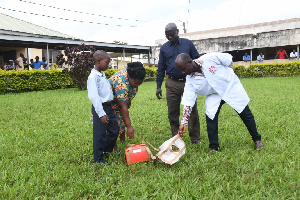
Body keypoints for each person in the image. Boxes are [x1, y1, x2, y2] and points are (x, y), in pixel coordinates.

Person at [175, 52, 264, 153]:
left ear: (190, 62)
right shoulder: (190, 80)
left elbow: (228, 59)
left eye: (183, 69)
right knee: (210, 116)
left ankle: (257, 140)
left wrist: (228, 74)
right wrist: (184, 122)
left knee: (245, 113)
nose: (182, 72)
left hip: (229, 87)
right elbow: (188, 101)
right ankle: (214, 147)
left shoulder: (210, 58)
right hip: (214, 94)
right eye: (180, 70)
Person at [156, 22, 201, 144]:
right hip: (172, 83)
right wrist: (158, 86)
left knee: (191, 110)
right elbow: (161, 68)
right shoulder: (164, 48)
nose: (170, 37)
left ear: (177, 31)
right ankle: (176, 138)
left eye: (171, 34)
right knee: (172, 112)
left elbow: (197, 60)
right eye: (167, 35)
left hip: (188, 82)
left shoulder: (188, 44)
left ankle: (195, 138)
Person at [87, 50, 119, 165]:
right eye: (107, 62)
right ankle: (98, 158)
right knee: (99, 134)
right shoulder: (93, 77)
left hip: (108, 107)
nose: (108, 64)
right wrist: (101, 113)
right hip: (100, 108)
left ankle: (106, 149)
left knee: (114, 129)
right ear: (98, 61)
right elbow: (94, 96)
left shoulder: (102, 74)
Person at [108, 62, 146, 150]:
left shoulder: (132, 72)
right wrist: (129, 126)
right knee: (114, 125)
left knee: (121, 118)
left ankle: (122, 141)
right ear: (130, 78)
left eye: (139, 84)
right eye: (136, 83)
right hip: (109, 104)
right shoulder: (122, 84)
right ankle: (113, 147)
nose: (137, 86)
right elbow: (122, 107)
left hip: (119, 103)